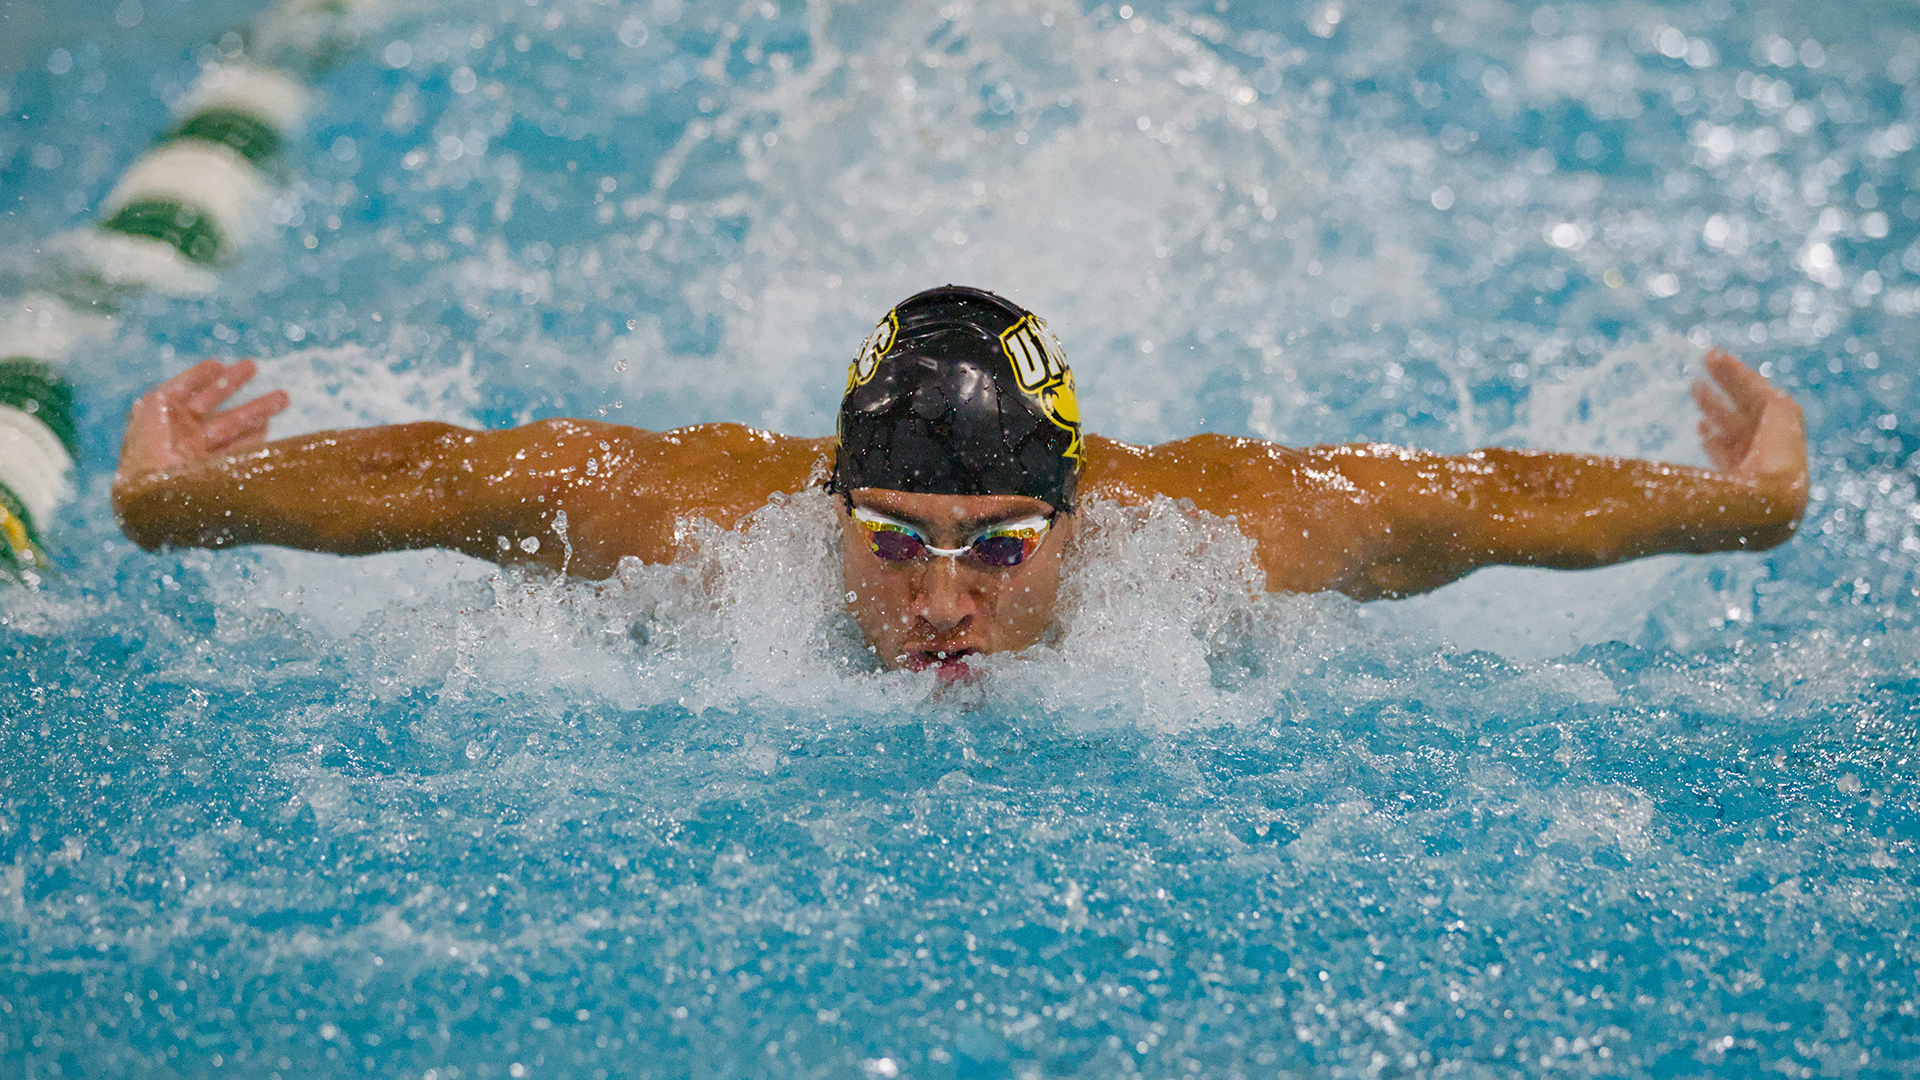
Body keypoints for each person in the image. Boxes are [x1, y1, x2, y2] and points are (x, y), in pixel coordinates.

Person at [113, 285, 1809, 676]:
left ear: (1081, 516)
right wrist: (172, 500)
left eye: (1001, 552)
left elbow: (1485, 500)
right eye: (893, 544)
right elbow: (449, 482)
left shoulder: (1222, 535)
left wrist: (1744, 502)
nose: (938, 603)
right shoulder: (695, 521)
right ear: (822, 509)